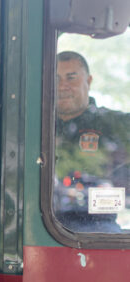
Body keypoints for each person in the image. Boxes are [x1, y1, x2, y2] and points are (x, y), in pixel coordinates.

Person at [55, 50, 130, 231]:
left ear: (88, 81)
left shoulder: (113, 124)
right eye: (56, 79)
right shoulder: (32, 125)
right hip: (41, 227)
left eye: (71, 78)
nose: (63, 86)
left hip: (97, 228)